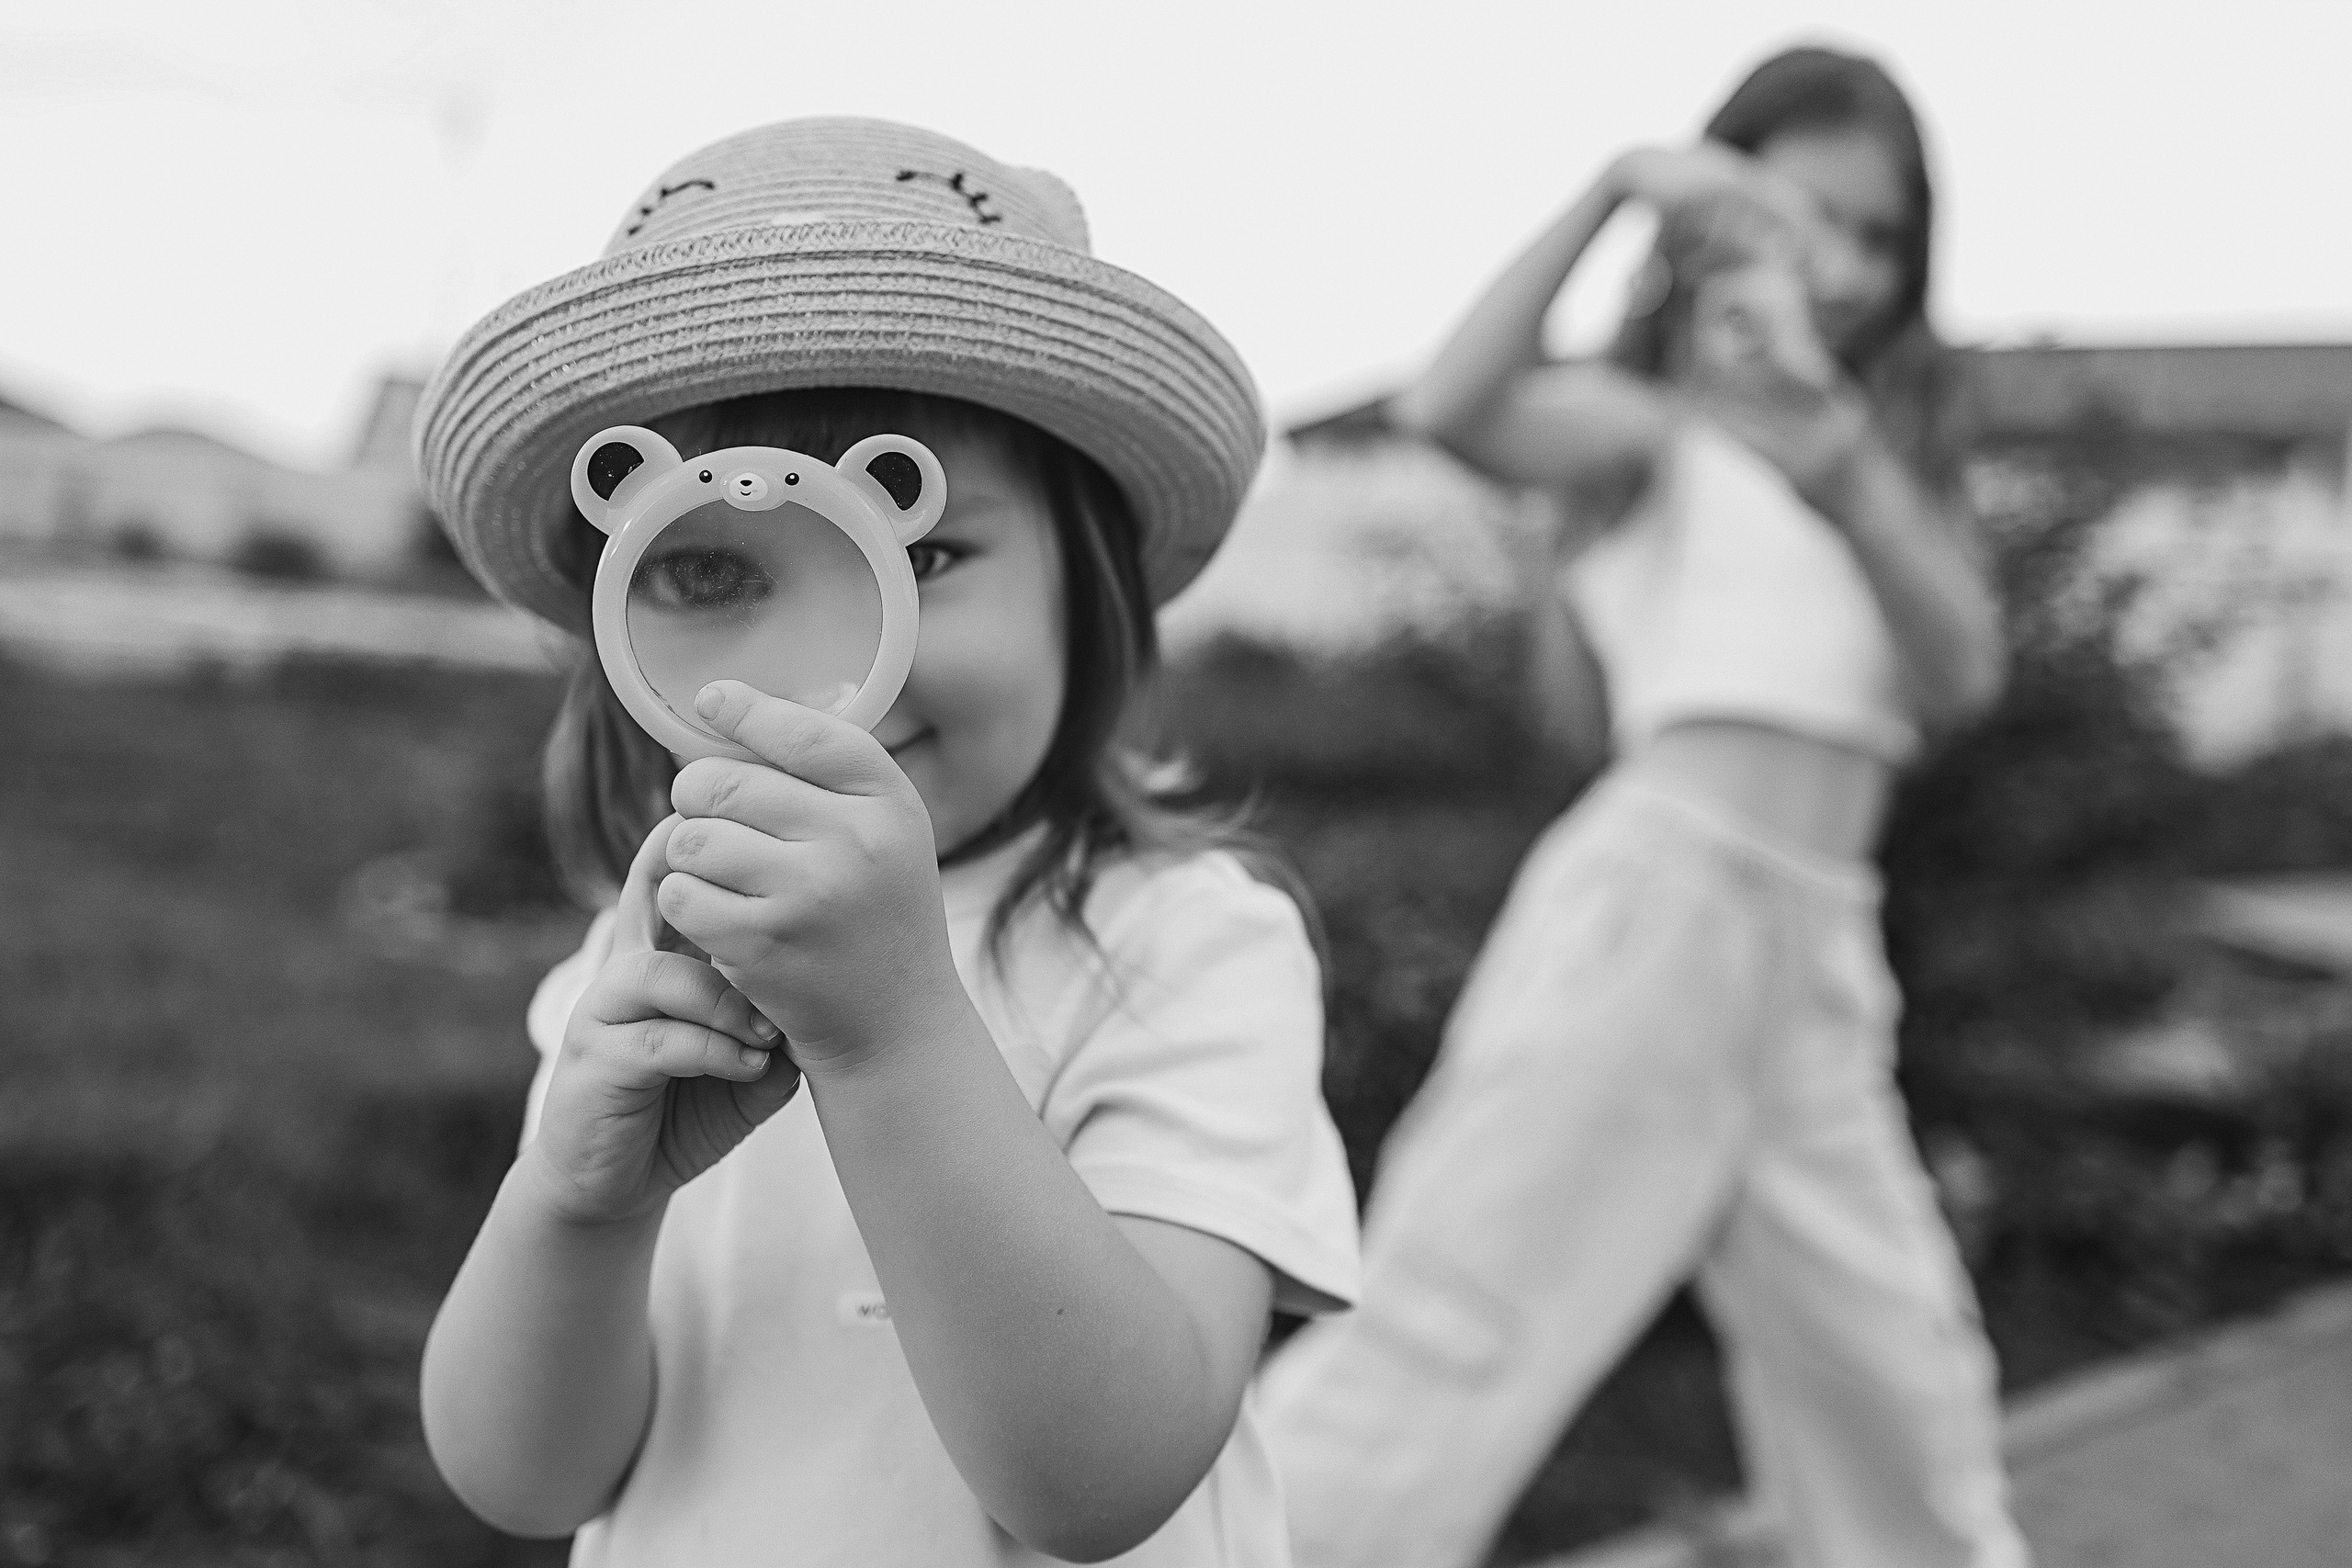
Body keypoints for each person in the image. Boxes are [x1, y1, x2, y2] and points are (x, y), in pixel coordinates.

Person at [413, 118, 1359, 1567]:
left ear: (1084, 587)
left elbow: (1103, 1484)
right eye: (708, 570)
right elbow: (527, 1479)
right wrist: (577, 1206)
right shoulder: (643, 961)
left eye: (916, 558)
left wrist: (895, 1035)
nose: (820, 665)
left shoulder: (1186, 947)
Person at [1258, 47, 2028, 1568]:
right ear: (1724, 218)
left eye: (1882, 235)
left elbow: (1964, 677)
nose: (1852, 268)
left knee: (1900, 1395)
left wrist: (1842, 461)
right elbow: (1448, 402)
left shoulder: (1884, 446)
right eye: (1810, 219)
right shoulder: (1646, 427)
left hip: (1817, 952)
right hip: (1655, 912)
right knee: (1446, 1340)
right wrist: (1616, 186)